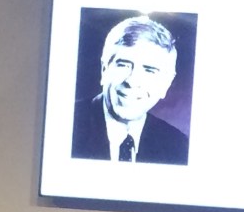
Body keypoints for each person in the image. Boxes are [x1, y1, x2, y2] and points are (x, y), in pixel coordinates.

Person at [71, 15, 189, 165]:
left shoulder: (178, 146)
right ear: (104, 70)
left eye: (149, 70)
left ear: (166, 83)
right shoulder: (67, 124)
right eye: (123, 65)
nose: (132, 81)